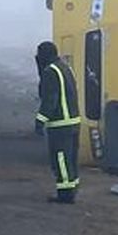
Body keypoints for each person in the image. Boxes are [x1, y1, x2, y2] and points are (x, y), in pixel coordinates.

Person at [35, 41, 80, 203]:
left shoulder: (50, 72)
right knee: (71, 158)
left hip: (60, 124)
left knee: (60, 158)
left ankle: (65, 194)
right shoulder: (65, 68)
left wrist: (40, 120)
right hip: (74, 121)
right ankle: (72, 188)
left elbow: (49, 98)